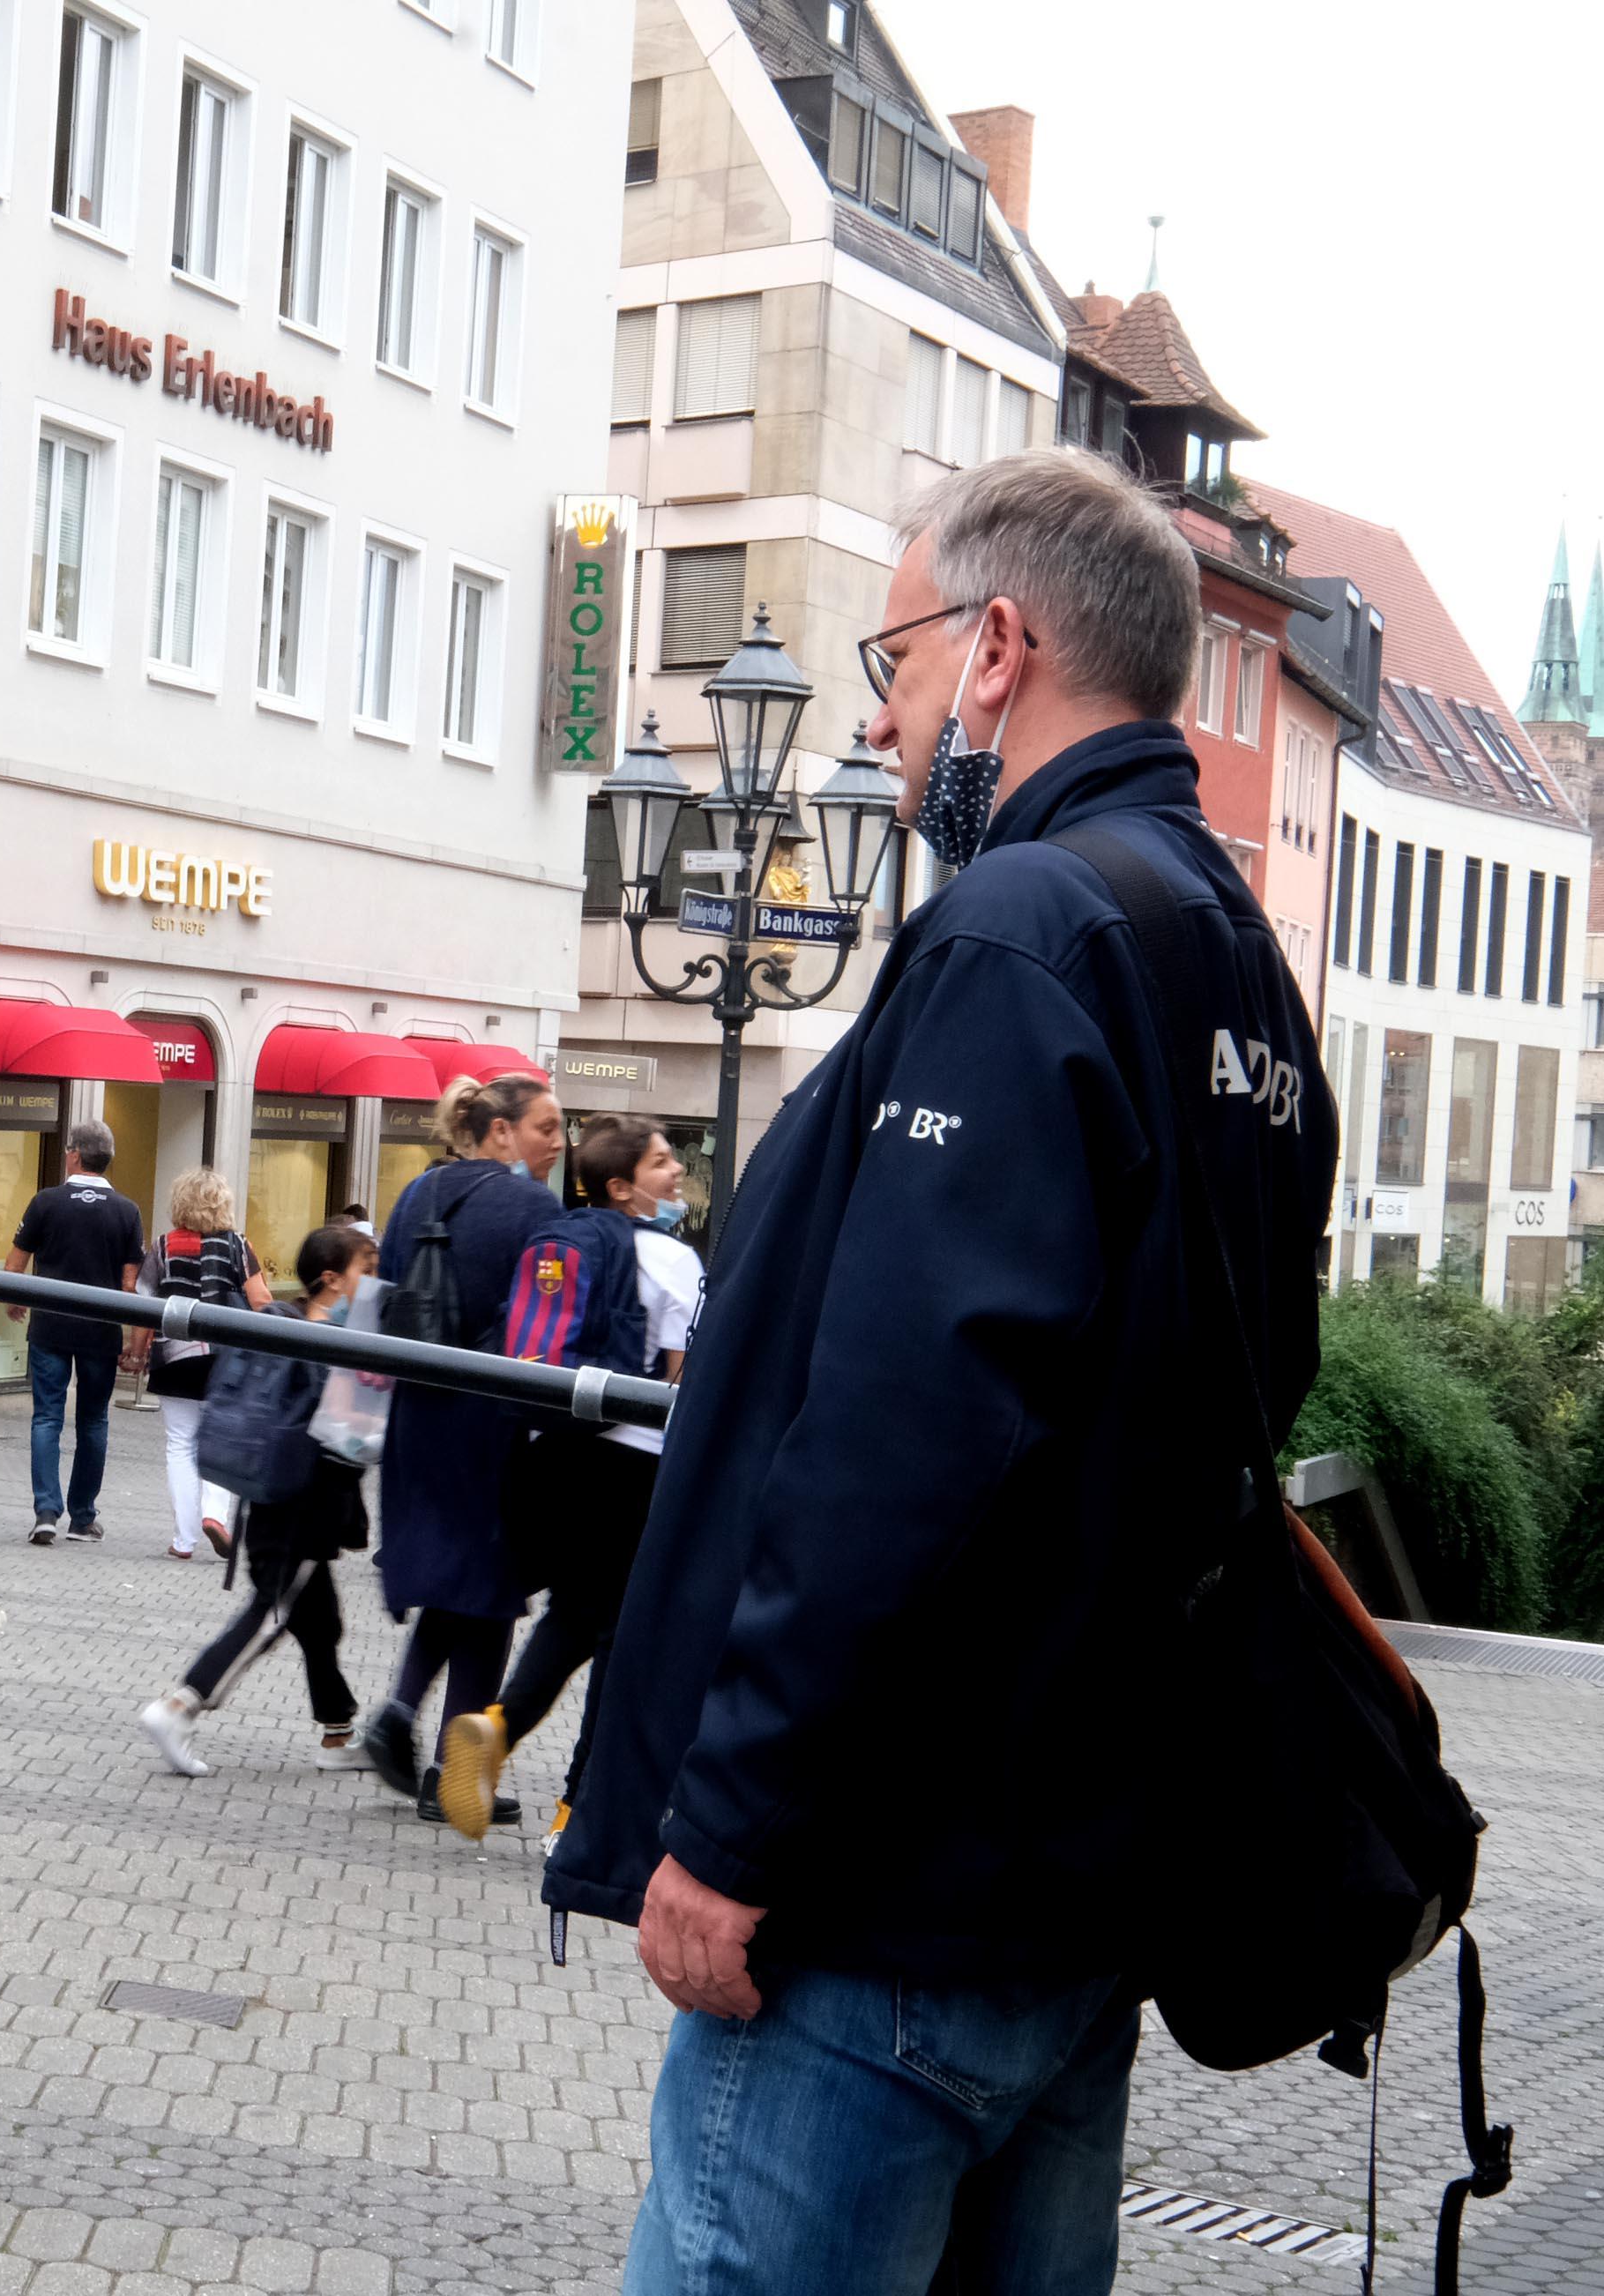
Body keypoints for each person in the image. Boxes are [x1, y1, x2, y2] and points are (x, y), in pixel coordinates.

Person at [545, 448, 1335, 2294]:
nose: (883, 726)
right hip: (1070, 1906)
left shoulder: (1019, 932)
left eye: (890, 665)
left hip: (876, 1913)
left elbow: (896, 1442)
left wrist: (725, 1829)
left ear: (994, 649)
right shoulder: (1229, 958)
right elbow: (1239, 1408)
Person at [436, 1117, 701, 1844]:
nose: (675, 1171)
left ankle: (499, 1725)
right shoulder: (675, 1262)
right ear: (621, 1187)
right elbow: (685, 1382)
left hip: (551, 1451)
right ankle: (580, 1810)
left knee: (577, 1613)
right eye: (659, 1163)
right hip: (633, 1463)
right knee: (624, 1636)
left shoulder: (565, 1236)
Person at [358, 1070, 568, 1825]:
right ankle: (451, 1770)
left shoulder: (417, 1192)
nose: (557, 1142)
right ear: (501, 1130)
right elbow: (542, 1320)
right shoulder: (534, 1207)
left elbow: (382, 1292)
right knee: (491, 1587)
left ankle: (408, 1722)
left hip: (419, 1412)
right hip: (492, 1420)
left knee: (463, 1582)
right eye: (546, 1126)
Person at [138, 1222, 378, 1776]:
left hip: (278, 1496)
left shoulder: (288, 1327)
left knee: (320, 1622)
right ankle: (182, 1704)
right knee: (273, 1611)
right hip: (302, 1505)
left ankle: (338, 1732)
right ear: (332, 1280)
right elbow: (347, 1433)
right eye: (366, 1270)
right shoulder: (325, 1342)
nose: (375, 1282)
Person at [4, 1119, 145, 1546]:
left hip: (50, 1326)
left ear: (76, 1155)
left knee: (47, 1416)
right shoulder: (127, 1210)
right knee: (93, 1420)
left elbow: (15, 1264)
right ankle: (83, 1518)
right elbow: (129, 1285)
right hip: (100, 1332)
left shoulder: (45, 1202)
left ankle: (46, 1511)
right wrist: (133, 1341)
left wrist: (15, 1298)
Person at [131, 1164, 275, 1561]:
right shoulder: (236, 1245)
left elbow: (143, 1306)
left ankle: (183, 1540)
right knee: (222, 1439)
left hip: (174, 1357)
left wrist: (136, 1350)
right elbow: (261, 1300)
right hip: (225, 1359)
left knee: (179, 1444)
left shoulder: (162, 1247)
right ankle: (215, 1516)